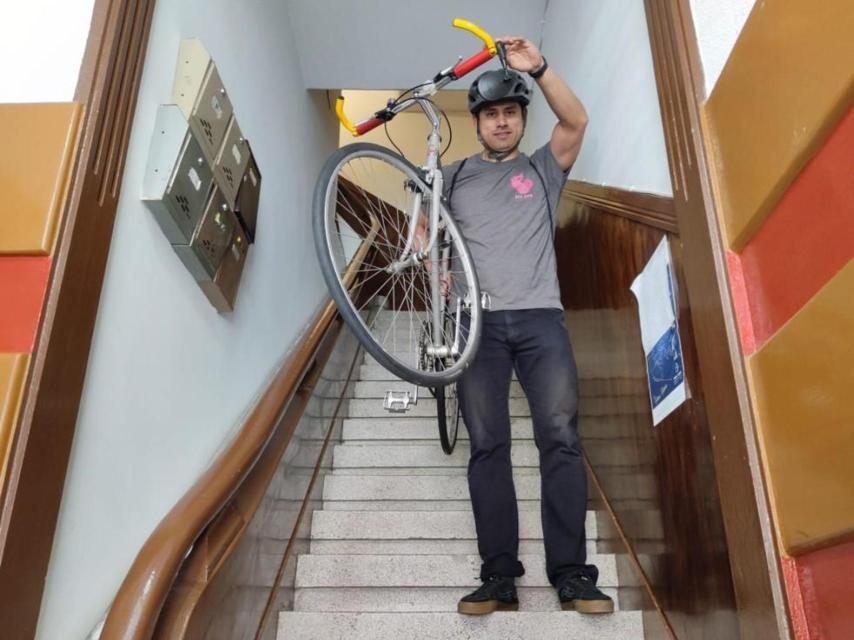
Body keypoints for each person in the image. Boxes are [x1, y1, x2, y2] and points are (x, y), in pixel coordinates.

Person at [442, 36, 614, 615]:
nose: (500, 122)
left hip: (541, 319)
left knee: (561, 440)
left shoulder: (544, 169)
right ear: (477, 122)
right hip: (478, 327)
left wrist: (537, 67)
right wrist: (432, 260)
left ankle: (571, 574)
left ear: (520, 120)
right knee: (488, 446)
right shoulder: (454, 176)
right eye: (490, 114)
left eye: (510, 113)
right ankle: (498, 576)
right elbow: (425, 230)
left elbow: (577, 118)